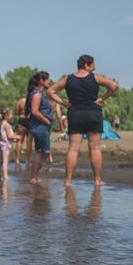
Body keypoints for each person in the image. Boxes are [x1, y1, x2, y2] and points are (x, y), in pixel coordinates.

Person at [49, 54, 119, 187]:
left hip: (75, 113)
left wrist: (63, 103)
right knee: (95, 148)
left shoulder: (67, 79)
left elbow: (50, 91)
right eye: (92, 64)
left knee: (73, 149)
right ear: (85, 65)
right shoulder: (95, 77)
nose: (95, 67)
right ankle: (97, 180)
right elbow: (114, 86)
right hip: (93, 113)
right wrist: (102, 99)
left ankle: (67, 181)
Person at [24, 71, 55, 184]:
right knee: (42, 152)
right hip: (39, 126)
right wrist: (46, 120)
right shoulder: (37, 94)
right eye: (47, 79)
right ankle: (33, 178)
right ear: (41, 81)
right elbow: (34, 111)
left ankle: (34, 177)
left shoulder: (39, 93)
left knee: (41, 152)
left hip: (40, 126)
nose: (49, 81)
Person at [0, 107, 17, 182]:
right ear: (6, 115)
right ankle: (5, 176)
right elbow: (9, 136)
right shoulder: (7, 125)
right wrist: (16, 137)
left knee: (0, 161)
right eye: (11, 114)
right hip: (6, 145)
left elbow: (0, 135)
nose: (12, 116)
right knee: (5, 161)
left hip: (2, 144)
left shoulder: (2, 123)